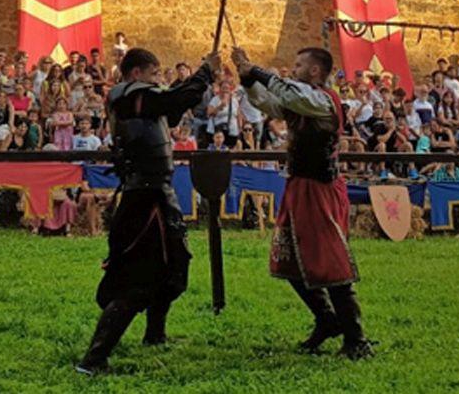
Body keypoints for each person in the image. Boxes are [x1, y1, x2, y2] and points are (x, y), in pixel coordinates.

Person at [76, 47, 217, 375]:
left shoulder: (137, 102)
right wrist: (205, 71)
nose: (157, 82)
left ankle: (155, 333)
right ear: (137, 74)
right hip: (144, 197)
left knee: (174, 265)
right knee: (137, 280)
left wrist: (195, 83)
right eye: (154, 75)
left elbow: (168, 111)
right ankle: (93, 359)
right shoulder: (128, 96)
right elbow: (172, 101)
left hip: (157, 191)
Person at [233, 45, 373, 360]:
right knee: (290, 260)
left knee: (330, 262)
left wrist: (256, 70)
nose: (292, 69)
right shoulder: (303, 100)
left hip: (320, 190)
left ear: (313, 71)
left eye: (298, 64)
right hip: (300, 187)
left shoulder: (322, 100)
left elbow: (289, 94)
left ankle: (356, 338)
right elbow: (268, 101)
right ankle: (327, 320)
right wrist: (246, 78)